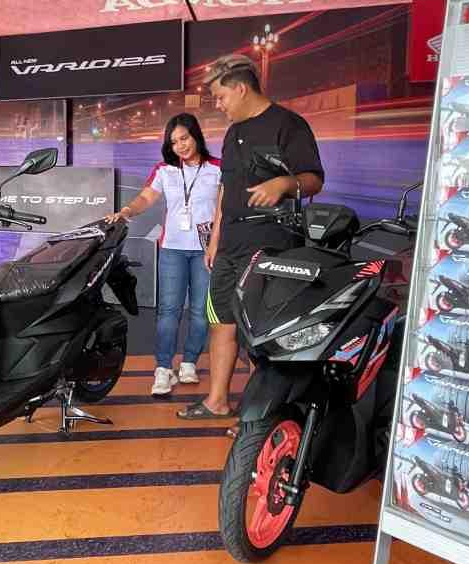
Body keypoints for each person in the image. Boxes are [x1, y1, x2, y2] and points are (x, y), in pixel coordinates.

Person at [177, 54, 324, 420]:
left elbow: (314, 180)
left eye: (221, 97)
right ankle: (216, 401)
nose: (218, 105)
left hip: (271, 243)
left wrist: (284, 183)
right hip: (230, 245)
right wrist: (215, 239)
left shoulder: (288, 125)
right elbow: (225, 189)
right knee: (221, 322)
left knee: (262, 334)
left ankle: (264, 415)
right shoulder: (233, 134)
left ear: (241, 89)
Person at [106, 113, 220, 395]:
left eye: (184, 138)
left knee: (199, 312)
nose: (180, 146)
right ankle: (163, 368)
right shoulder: (165, 169)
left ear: (196, 135)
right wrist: (126, 211)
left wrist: (216, 246)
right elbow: (146, 197)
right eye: (174, 142)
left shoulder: (218, 169)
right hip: (172, 249)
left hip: (206, 251)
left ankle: (190, 362)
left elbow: (223, 210)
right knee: (169, 310)